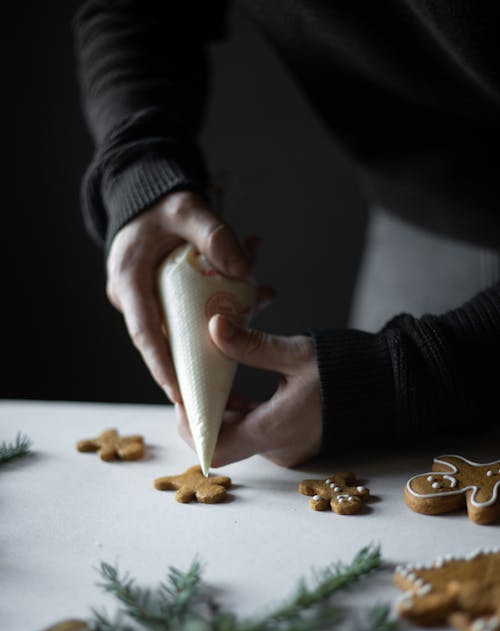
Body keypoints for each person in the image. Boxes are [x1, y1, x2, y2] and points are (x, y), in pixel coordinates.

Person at [73, 1, 500, 469]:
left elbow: (397, 381)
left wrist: (396, 376)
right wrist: (137, 171)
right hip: (423, 209)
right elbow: (132, 13)